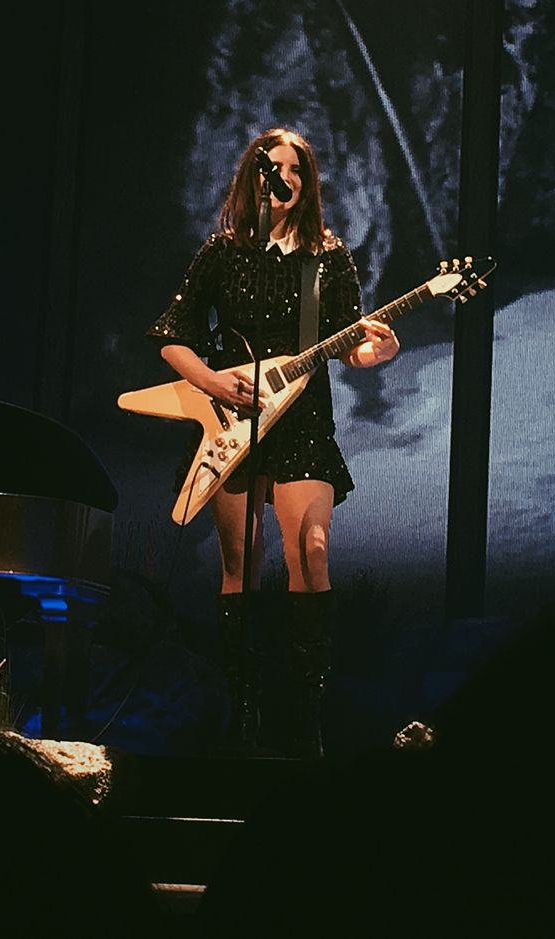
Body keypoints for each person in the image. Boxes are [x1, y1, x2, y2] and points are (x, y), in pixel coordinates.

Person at [147, 126, 399, 758]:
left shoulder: (329, 256)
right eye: (270, 169)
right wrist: (213, 381)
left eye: (293, 170)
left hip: (305, 420)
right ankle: (246, 709)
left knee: (311, 551)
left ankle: (304, 716)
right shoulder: (224, 252)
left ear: (307, 183)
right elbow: (173, 333)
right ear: (251, 180)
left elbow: (351, 343)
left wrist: (379, 348)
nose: (280, 179)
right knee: (242, 565)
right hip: (232, 420)